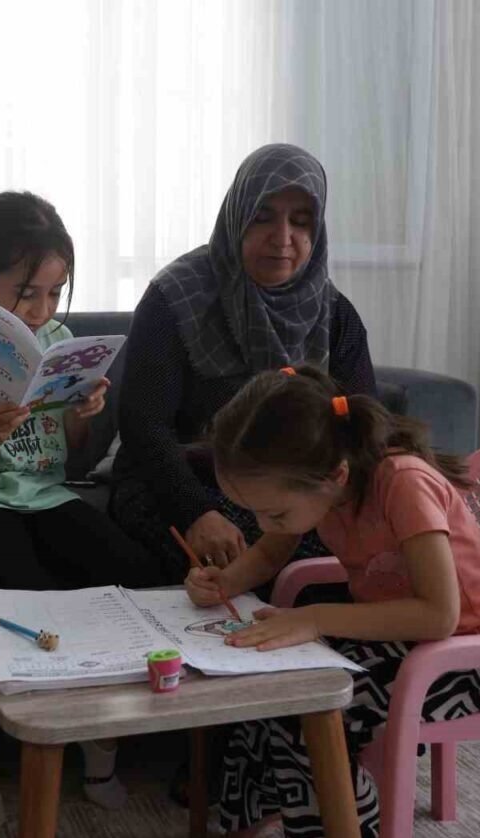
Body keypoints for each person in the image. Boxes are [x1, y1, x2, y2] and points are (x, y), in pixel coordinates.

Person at [0, 190, 161, 824]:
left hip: (44, 493)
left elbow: (68, 452)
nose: (41, 312)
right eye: (26, 293)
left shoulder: (58, 340)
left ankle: (100, 732)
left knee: (134, 573)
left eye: (53, 294)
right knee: (20, 596)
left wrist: (81, 412)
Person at [186, 365, 480, 838]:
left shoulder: (404, 482)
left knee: (309, 713)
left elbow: (439, 615)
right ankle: (256, 820)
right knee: (261, 688)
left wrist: (314, 619)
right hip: (391, 634)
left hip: (461, 656)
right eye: (254, 512)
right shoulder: (321, 479)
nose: (263, 524)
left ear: (334, 476)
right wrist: (223, 582)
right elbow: (271, 552)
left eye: (274, 513)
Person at [111, 143, 376, 579]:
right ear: (238, 215)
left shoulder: (334, 314)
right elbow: (145, 425)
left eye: (301, 221)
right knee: (222, 568)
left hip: (295, 495)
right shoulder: (175, 298)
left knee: (327, 565)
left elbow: (360, 426)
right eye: (263, 216)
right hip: (181, 485)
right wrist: (196, 512)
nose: (283, 237)